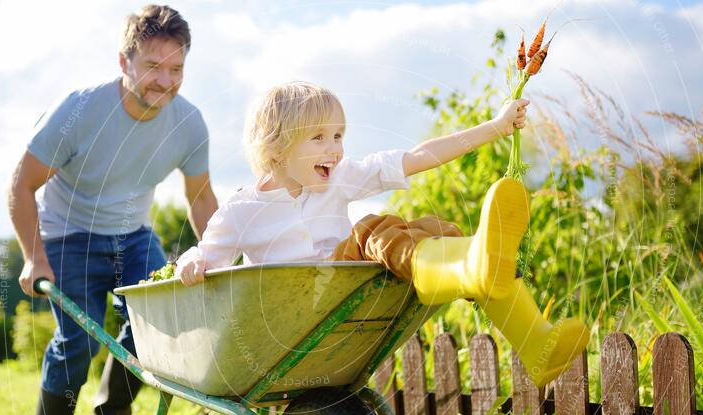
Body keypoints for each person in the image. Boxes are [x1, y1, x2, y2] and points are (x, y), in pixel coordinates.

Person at [175, 81, 589, 387]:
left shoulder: (340, 176)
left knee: (434, 234)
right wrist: (193, 262)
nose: (334, 149)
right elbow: (207, 257)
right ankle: (466, 268)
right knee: (375, 229)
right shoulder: (242, 210)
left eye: (338, 135)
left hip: (346, 303)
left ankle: (533, 339)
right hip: (297, 318)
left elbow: (418, 157)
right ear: (276, 149)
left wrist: (495, 128)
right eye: (318, 137)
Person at [8, 5, 218, 415]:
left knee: (159, 324)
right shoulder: (80, 111)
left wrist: (222, 254)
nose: (164, 81)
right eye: (152, 66)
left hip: (134, 235)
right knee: (77, 343)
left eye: (176, 69)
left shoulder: (189, 124)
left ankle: (111, 410)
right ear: (124, 62)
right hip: (68, 236)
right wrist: (33, 256)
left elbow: (201, 198)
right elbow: (21, 184)